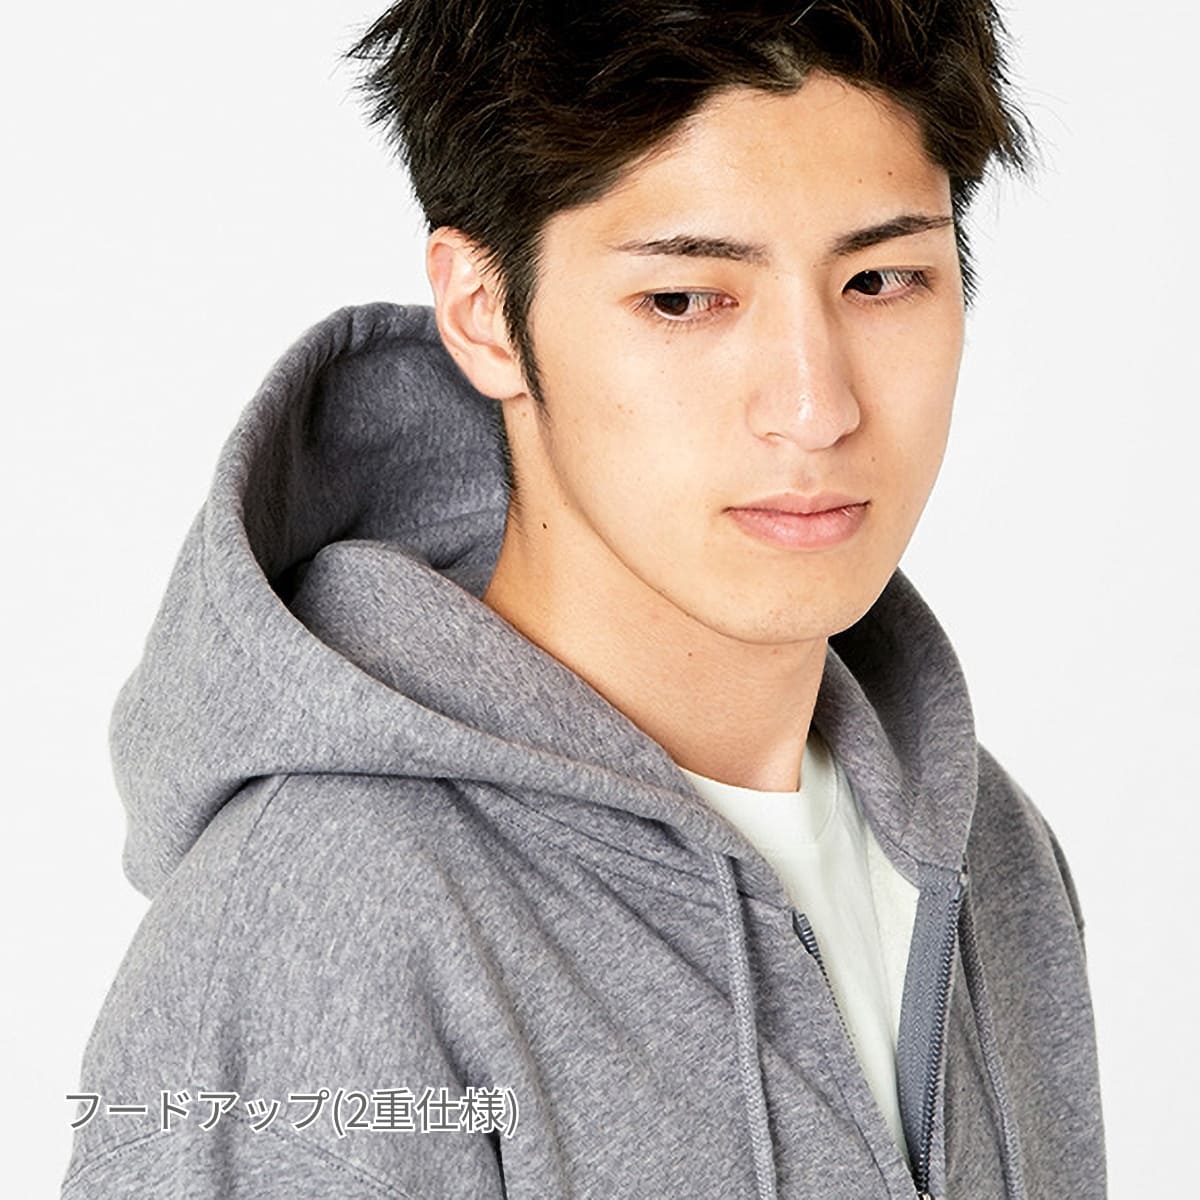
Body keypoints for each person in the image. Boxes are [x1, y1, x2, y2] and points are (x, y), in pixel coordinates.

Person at [60, 2, 1105, 1197]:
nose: (816, 408)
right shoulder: (314, 924)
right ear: (483, 313)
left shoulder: (988, 851)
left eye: (880, 279)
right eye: (685, 298)